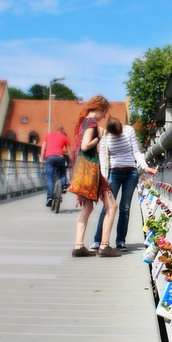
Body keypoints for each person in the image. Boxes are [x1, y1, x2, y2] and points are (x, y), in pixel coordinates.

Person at [91, 116, 157, 252]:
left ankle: (120, 240)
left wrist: (145, 167)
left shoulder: (129, 131)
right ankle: (98, 240)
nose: (119, 135)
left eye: (120, 132)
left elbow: (136, 152)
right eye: (116, 134)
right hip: (114, 173)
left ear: (122, 125)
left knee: (125, 208)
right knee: (107, 207)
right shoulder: (104, 137)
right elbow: (103, 159)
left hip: (131, 173)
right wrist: (103, 180)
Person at [71, 95, 121, 258]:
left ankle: (78, 246)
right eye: (104, 113)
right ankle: (104, 245)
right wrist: (99, 137)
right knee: (112, 206)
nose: (104, 116)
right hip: (91, 169)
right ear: (99, 108)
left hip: (81, 169)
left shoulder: (83, 121)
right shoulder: (92, 123)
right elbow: (85, 146)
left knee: (87, 207)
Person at [41, 124, 70, 207]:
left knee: (49, 178)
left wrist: (43, 159)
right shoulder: (64, 137)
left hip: (49, 158)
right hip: (60, 157)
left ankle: (49, 197)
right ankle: (64, 186)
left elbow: (43, 148)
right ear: (62, 130)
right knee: (62, 171)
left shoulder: (48, 136)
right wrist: (71, 161)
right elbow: (69, 151)